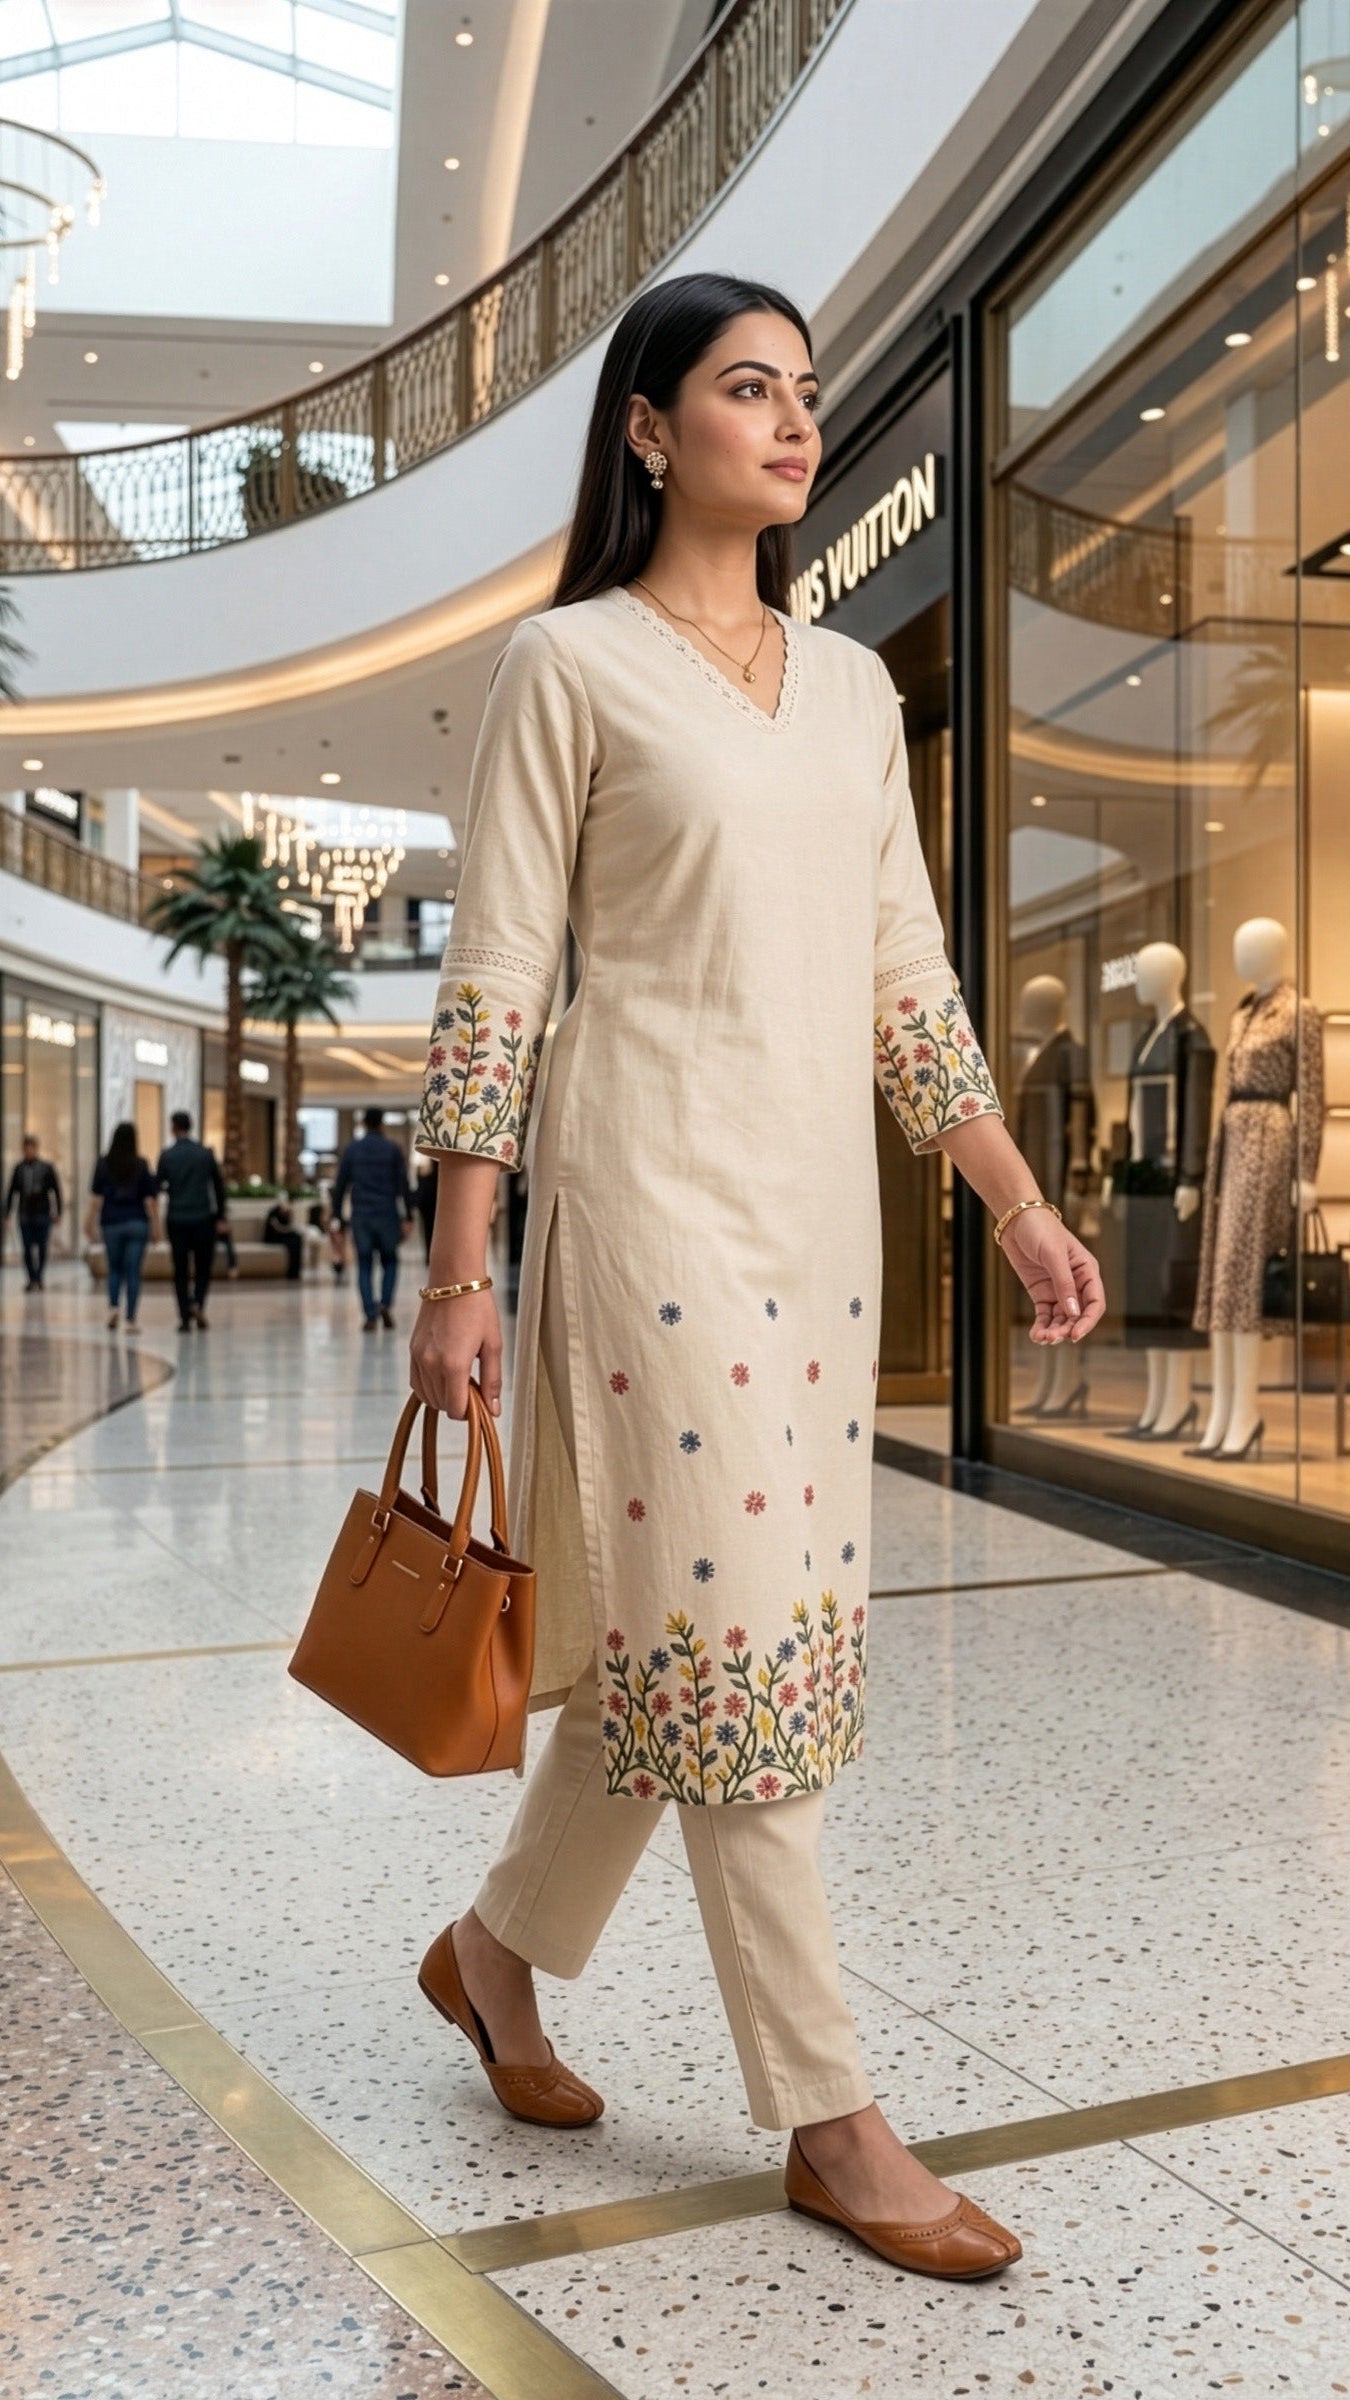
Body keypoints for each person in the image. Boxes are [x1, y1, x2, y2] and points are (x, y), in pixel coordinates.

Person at [408, 275, 1105, 2284]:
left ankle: (492, 1954)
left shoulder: (859, 688)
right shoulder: (572, 668)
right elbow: (500, 986)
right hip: (648, 1222)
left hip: (816, 1236)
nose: (793, 424)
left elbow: (911, 981)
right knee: (743, 1672)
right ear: (649, 430)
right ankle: (832, 2112)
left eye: (805, 393)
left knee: (689, 1664)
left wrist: (1009, 1196)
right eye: (745, 389)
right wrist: (461, 1266)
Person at [333, 1107, 413, 1330]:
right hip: (388, 1214)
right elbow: (403, 1185)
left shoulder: (352, 1150)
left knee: (365, 1264)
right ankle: (385, 1304)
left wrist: (337, 1217)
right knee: (390, 1261)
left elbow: (341, 1186)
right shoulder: (392, 1150)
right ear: (381, 1124)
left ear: (364, 1123)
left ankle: (369, 1312)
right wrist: (408, 1215)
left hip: (362, 1216)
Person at [156, 1109, 227, 1332]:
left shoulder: (167, 1156)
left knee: (180, 1268)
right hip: (203, 1218)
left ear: (173, 1127)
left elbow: (158, 1185)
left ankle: (185, 1316)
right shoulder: (205, 1154)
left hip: (177, 1218)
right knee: (203, 1266)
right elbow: (218, 1187)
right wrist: (221, 1216)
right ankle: (198, 1303)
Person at [86, 1122, 160, 1332]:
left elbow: (95, 1199)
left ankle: (113, 1308)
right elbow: (151, 1200)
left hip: (111, 1222)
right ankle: (131, 1319)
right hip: (137, 1222)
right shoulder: (142, 1164)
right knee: (133, 1272)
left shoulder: (103, 1163)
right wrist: (156, 1228)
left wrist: (88, 1224)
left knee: (115, 1269)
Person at [5, 1134, 62, 1289]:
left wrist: (58, 1212)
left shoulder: (46, 1168)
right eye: (26, 1148)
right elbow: (11, 1192)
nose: (29, 1151)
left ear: (36, 1149)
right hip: (25, 1214)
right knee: (27, 1247)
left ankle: (38, 1276)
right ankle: (31, 1278)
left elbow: (56, 1191)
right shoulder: (19, 1169)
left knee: (42, 1247)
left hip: (43, 1213)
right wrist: (7, 1214)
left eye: (31, 1148)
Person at [262, 1194, 304, 1280]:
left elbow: (289, 1226)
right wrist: (290, 1230)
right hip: (273, 1237)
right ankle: (291, 1272)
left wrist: (288, 1214)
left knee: (297, 1238)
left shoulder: (287, 1213)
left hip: (284, 1235)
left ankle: (295, 1271)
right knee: (292, 1241)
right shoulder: (273, 1212)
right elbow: (278, 1228)